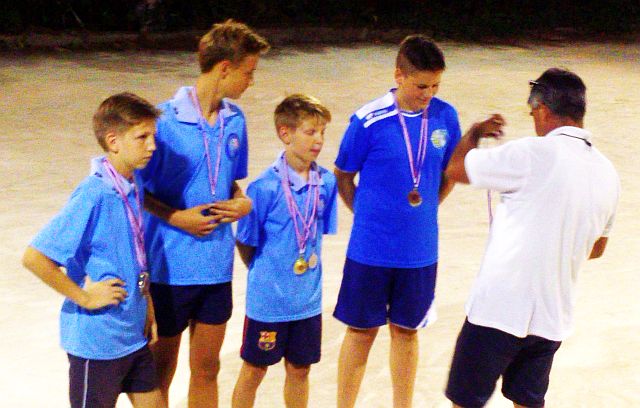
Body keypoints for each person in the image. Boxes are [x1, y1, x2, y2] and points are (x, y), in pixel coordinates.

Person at [444, 68, 620, 408]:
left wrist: (475, 132)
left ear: (542, 110)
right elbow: (597, 248)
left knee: (465, 402)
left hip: (498, 310)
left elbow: (456, 169)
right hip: (552, 315)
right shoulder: (608, 173)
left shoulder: (531, 153)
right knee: (527, 402)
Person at [138, 20, 269, 408]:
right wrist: (176, 218)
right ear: (225, 68)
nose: (251, 82)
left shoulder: (235, 120)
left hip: (216, 266)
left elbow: (228, 182)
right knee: (161, 369)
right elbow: (135, 190)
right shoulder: (162, 121)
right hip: (169, 268)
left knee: (208, 368)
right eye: (248, 72)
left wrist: (243, 202)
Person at [333, 34, 462, 408]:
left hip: (419, 252)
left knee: (407, 332)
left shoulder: (445, 116)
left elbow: (450, 172)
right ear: (399, 76)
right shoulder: (368, 120)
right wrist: (367, 215)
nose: (428, 94)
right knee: (361, 332)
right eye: (422, 86)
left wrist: (427, 209)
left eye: (435, 85)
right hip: (370, 250)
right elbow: (343, 175)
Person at [22, 92, 164, 408]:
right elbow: (35, 258)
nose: (152, 146)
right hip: (98, 342)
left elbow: (134, 254)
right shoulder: (93, 194)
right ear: (113, 141)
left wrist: (147, 305)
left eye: (153, 136)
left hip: (132, 333)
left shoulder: (134, 184)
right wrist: (85, 297)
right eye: (142, 137)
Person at [231, 94, 338, 408]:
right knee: (254, 370)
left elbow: (316, 235)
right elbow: (246, 242)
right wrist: (268, 273)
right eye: (310, 132)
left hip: (307, 302)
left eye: (322, 132)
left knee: (300, 370)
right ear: (285, 133)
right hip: (269, 303)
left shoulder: (326, 183)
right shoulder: (263, 188)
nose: (318, 140)